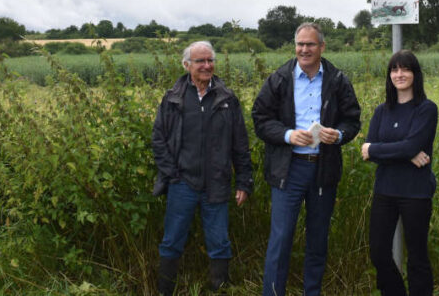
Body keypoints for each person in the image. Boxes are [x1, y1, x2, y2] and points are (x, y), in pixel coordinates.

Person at [252, 22, 361, 296]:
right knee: (281, 239)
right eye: (300, 44)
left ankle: (311, 292)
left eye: (310, 44)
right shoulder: (279, 79)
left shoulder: (337, 80)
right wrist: (288, 135)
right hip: (288, 170)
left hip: (323, 169)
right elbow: (261, 119)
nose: (304, 49)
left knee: (317, 240)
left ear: (322, 47)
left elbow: (352, 120)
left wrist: (337, 135)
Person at [151, 41, 254, 296]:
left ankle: (220, 290)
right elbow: (158, 139)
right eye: (201, 61)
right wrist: (172, 174)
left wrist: (243, 181)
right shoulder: (173, 97)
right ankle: (165, 292)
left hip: (216, 184)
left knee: (219, 244)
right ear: (187, 65)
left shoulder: (227, 98)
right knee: (172, 242)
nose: (207, 66)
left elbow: (240, 143)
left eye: (210, 60)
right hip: (182, 184)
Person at [361, 50, 438, 296]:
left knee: (417, 256)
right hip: (385, 190)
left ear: (415, 74)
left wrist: (381, 149)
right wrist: (407, 152)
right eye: (394, 70)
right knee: (378, 252)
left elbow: (377, 148)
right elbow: (367, 152)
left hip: (416, 192)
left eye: (405, 69)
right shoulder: (381, 111)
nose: (399, 74)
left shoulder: (426, 109)